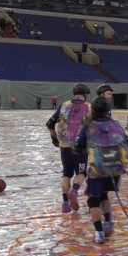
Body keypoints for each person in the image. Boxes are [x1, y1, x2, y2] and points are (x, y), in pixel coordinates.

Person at [73, 97, 128, 244]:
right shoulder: (115, 124)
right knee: (105, 195)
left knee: (93, 200)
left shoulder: (89, 125)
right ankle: (109, 222)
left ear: (92, 110)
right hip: (115, 168)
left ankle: (99, 233)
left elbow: (79, 147)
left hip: (98, 169)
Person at [46, 83, 92, 213]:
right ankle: (74, 191)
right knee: (81, 173)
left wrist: (54, 138)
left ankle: (65, 203)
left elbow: (50, 123)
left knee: (67, 173)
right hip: (79, 146)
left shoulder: (64, 105)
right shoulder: (88, 107)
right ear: (85, 94)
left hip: (64, 145)